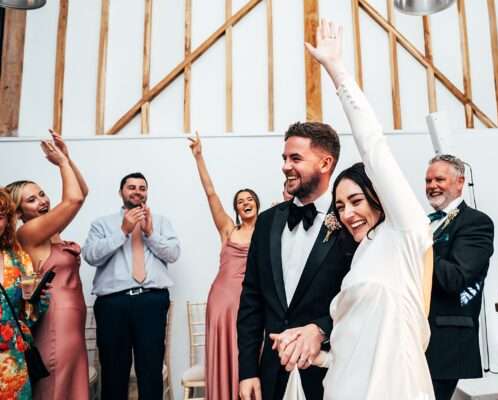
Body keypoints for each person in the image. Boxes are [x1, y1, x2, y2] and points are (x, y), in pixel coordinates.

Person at [272, 19, 435, 399]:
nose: (347, 214)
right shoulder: (361, 256)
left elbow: (373, 146)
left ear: (380, 196)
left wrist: (336, 69)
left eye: (356, 201)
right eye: (340, 205)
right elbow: (350, 355)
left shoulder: (406, 234)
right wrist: (310, 351)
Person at [236, 107, 357, 397]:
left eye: (296, 158)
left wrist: (322, 329)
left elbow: (357, 299)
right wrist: (247, 371)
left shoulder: (351, 221)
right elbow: (251, 300)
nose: (286, 166)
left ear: (326, 162)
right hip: (271, 373)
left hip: (330, 371)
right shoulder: (266, 222)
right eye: (285, 158)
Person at [82, 171, 180, 400]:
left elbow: (174, 254)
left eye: (142, 188)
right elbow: (90, 255)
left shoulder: (162, 223)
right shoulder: (102, 224)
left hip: (151, 300)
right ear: (121, 192)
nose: (137, 191)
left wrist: (150, 233)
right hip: (113, 304)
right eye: (131, 187)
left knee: (151, 369)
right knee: (114, 371)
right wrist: (123, 231)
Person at [6, 131, 89, 400]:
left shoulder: (51, 231)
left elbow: (82, 193)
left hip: (72, 320)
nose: (42, 201)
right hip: (56, 320)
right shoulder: (29, 233)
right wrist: (62, 164)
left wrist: (67, 158)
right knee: (57, 386)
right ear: (17, 212)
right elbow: (74, 200)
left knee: (72, 386)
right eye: (32, 199)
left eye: (42, 194)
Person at [188, 132, 260, 400]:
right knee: (225, 350)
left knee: (249, 350)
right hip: (223, 298)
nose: (245, 203)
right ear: (237, 209)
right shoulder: (228, 229)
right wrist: (199, 157)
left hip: (250, 300)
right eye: (240, 201)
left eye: (249, 199)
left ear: (257, 203)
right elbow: (210, 194)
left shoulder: (266, 230)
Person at [423, 154, 494, 400]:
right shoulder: (425, 223)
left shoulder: (476, 222)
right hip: (417, 336)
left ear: (460, 182)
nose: (432, 186)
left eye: (439, 179)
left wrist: (420, 244)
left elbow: (456, 279)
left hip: (446, 339)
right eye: (428, 180)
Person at [0, 188, 49, 399]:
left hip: (13, 360)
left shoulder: (18, 257)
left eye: (0, 216)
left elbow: (31, 314)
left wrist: (36, 297)